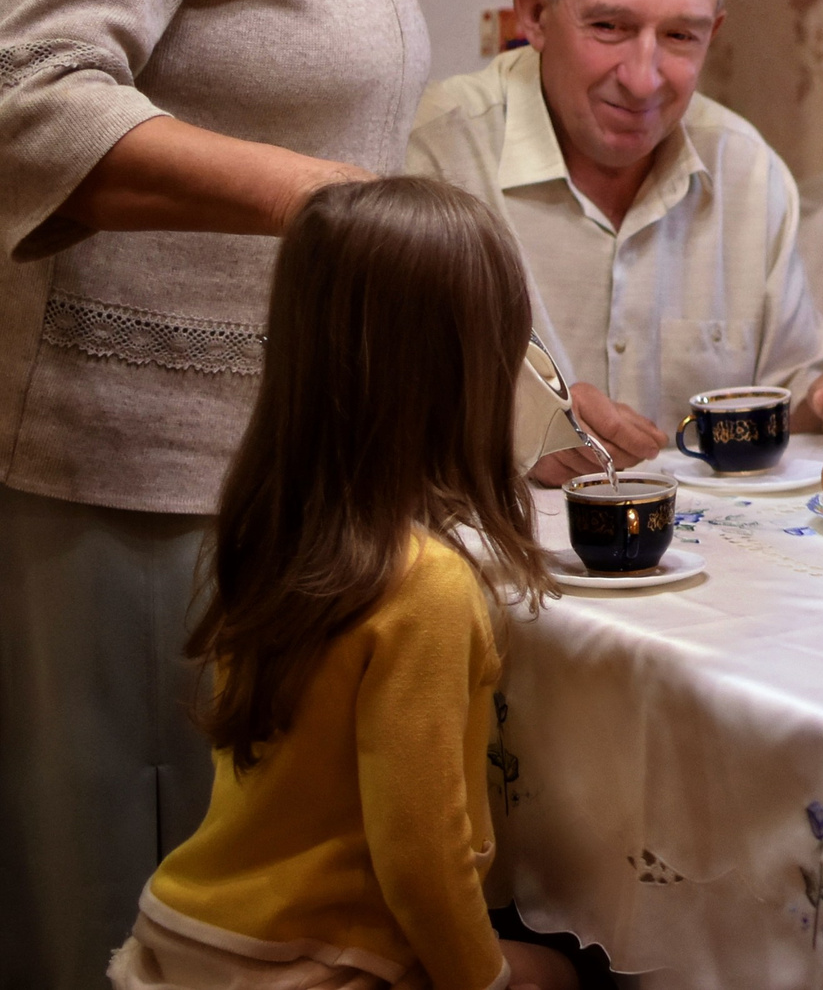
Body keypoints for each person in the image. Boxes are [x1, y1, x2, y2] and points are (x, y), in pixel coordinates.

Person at [0, 0, 543, 986]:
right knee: (128, 895)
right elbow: (33, 105)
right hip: (124, 466)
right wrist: (317, 198)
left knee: (244, 909)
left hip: (262, 466)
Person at [107, 177, 577, 990]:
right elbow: (422, 856)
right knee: (568, 971)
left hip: (192, 931)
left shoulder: (275, 532)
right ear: (464, 374)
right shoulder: (428, 589)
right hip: (308, 963)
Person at [408, 0, 823, 483]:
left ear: (712, 34)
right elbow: (360, 410)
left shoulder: (747, 171)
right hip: (489, 534)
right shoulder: (433, 156)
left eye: (679, 36)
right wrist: (504, 428)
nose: (644, 80)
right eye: (609, 26)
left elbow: (791, 395)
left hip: (704, 539)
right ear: (535, 16)